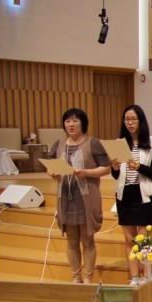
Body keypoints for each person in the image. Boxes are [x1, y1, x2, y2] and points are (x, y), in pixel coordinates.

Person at [46, 108, 110, 284]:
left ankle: (88, 277)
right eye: (67, 121)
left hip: (86, 199)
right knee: (71, 240)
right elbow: (50, 166)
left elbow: (106, 168)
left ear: (83, 123)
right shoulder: (59, 144)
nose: (71, 124)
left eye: (75, 120)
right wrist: (52, 174)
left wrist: (86, 172)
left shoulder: (93, 143)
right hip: (66, 199)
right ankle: (76, 277)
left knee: (87, 240)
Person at [110, 105, 152, 285]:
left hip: (144, 195)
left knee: (145, 240)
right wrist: (115, 167)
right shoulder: (119, 143)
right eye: (127, 119)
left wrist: (140, 167)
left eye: (133, 119)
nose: (130, 123)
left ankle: (148, 277)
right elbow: (116, 175)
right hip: (125, 195)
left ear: (141, 121)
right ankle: (134, 277)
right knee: (129, 240)